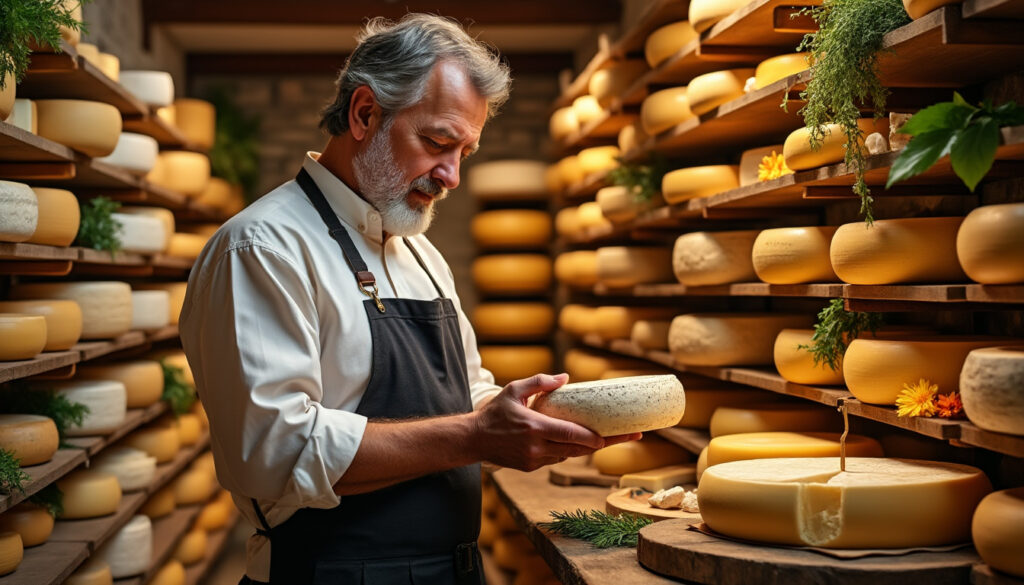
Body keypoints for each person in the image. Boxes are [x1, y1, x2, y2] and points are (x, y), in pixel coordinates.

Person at [180, 13, 639, 585]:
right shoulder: (262, 249)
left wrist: (544, 420)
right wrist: (476, 435)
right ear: (365, 113)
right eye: (437, 142)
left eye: (464, 152)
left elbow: (466, 398)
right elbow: (274, 451)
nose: (451, 175)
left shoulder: (421, 256)